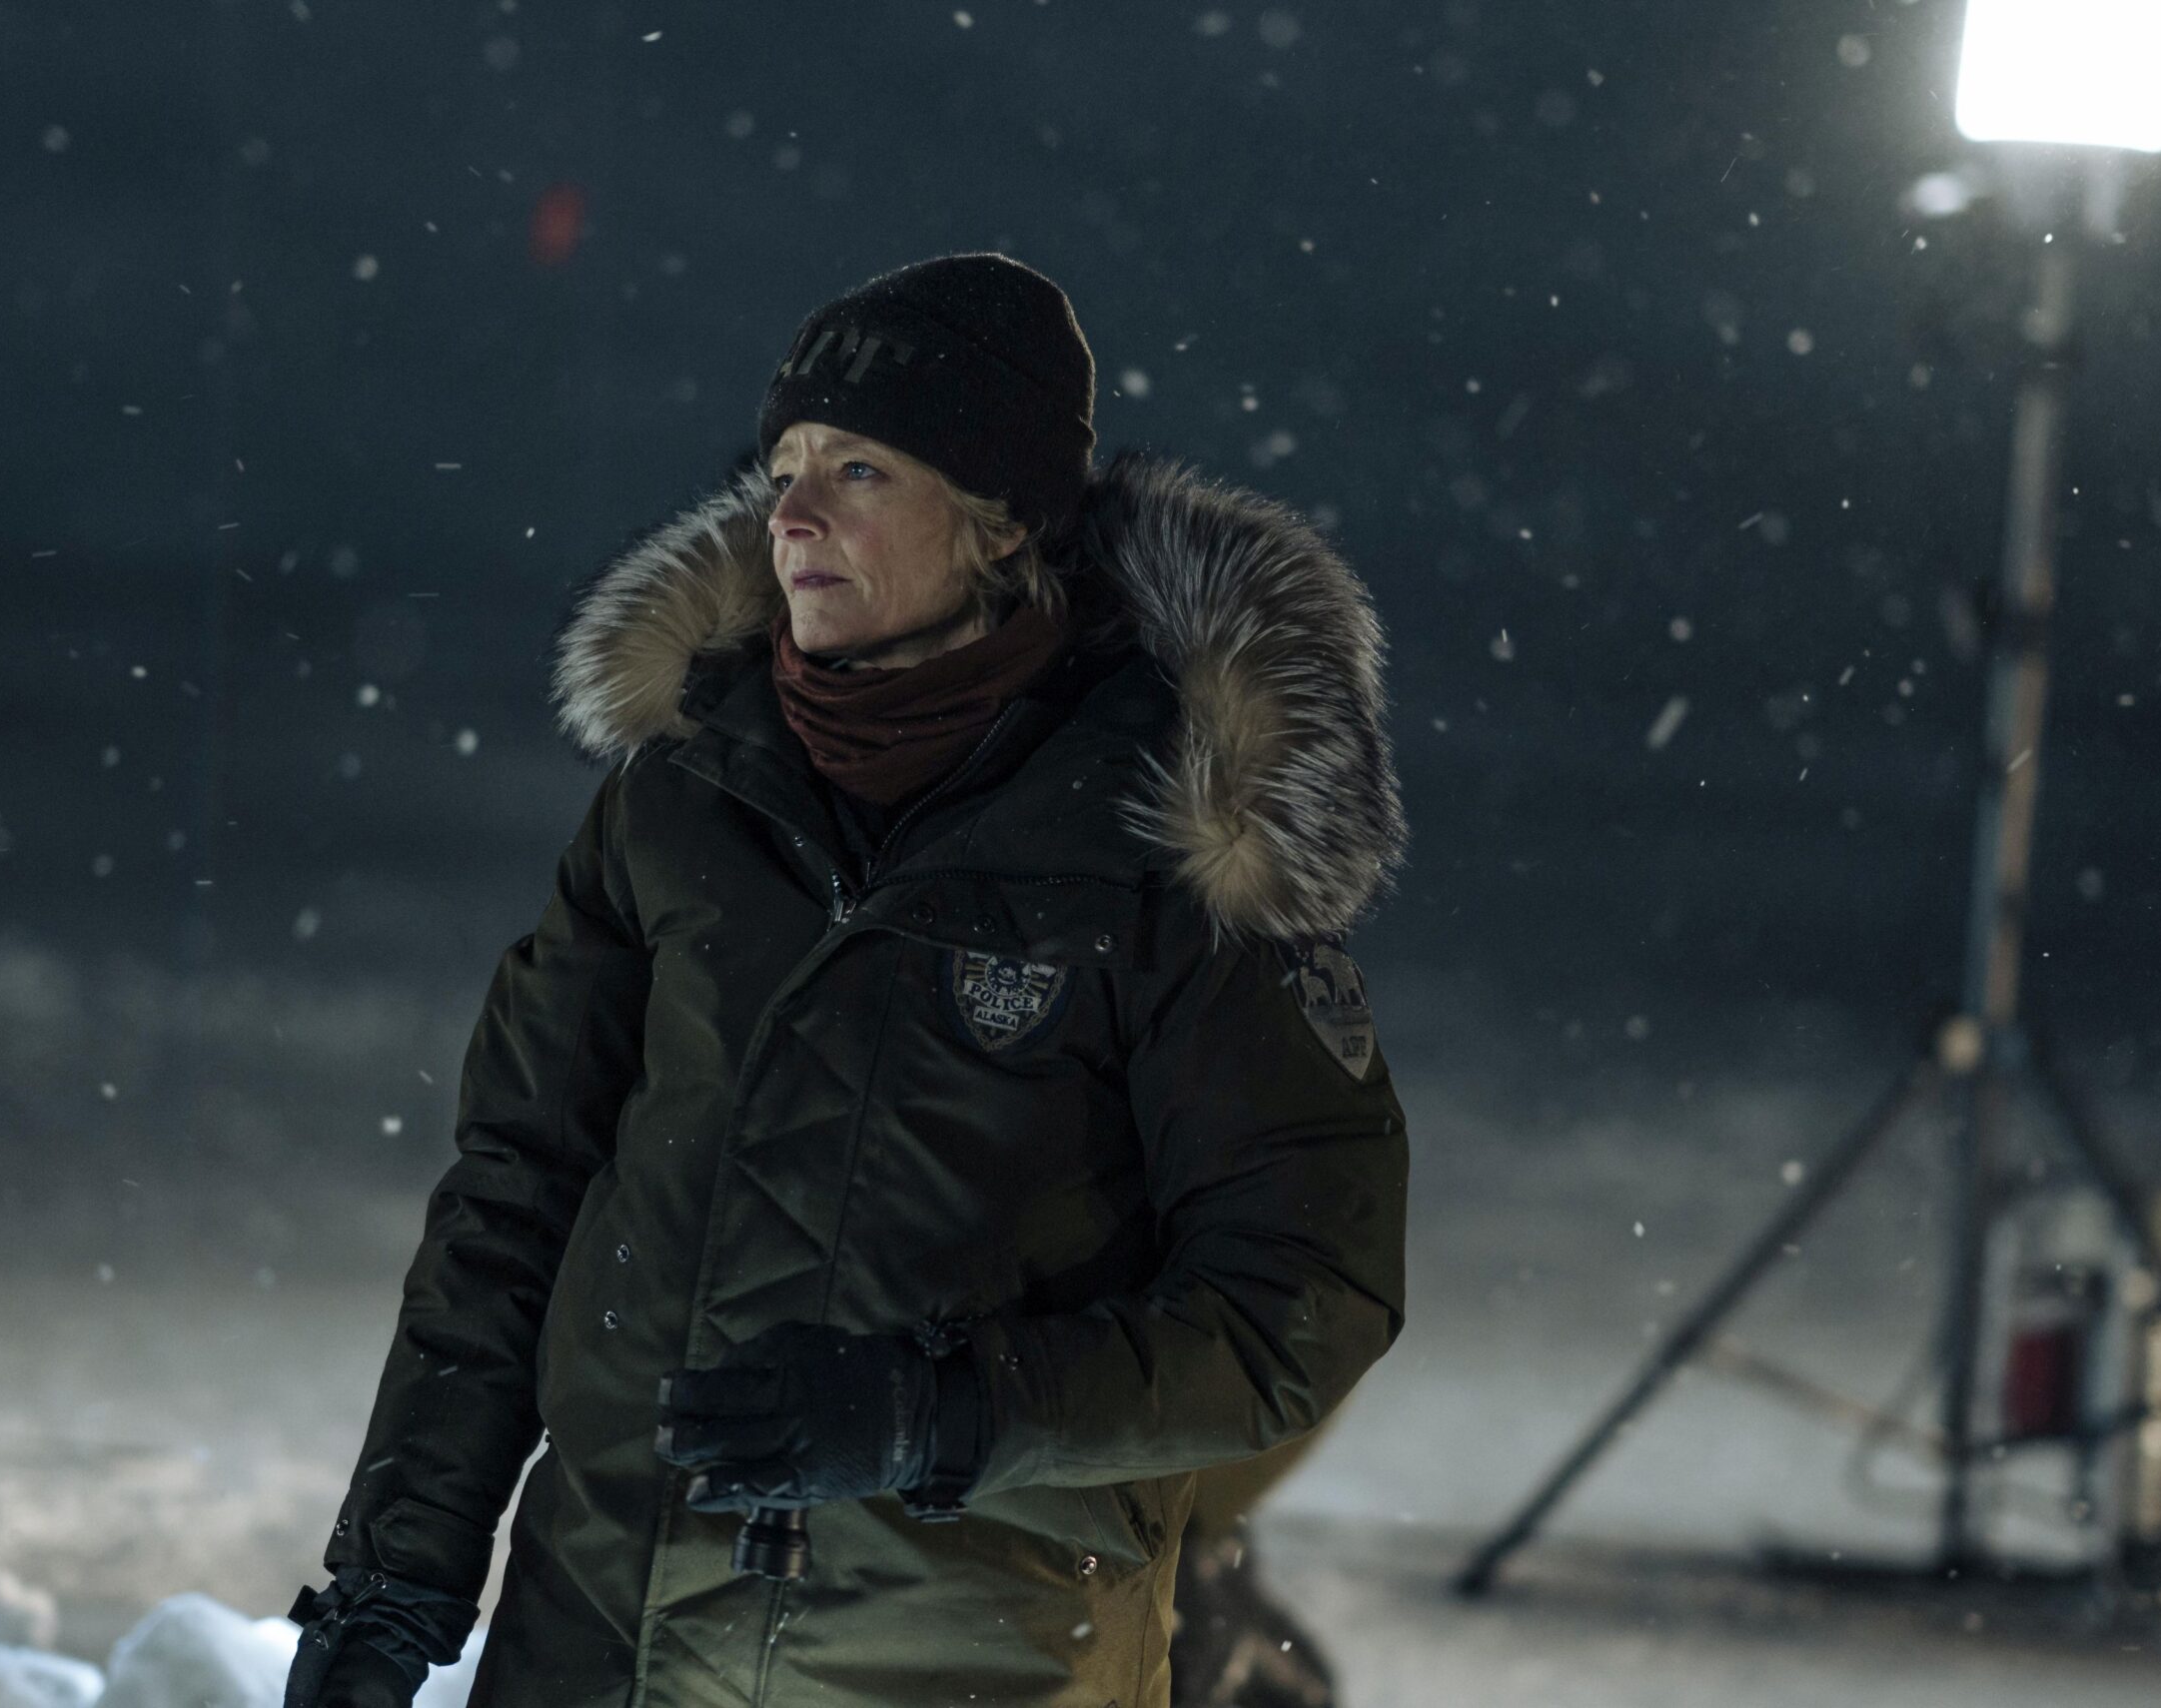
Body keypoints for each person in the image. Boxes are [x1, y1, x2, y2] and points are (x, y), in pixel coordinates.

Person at [283, 252, 1409, 1708]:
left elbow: (1301, 1302)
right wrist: (394, 1579)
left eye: (859, 470)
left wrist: (940, 1413)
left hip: (973, 1666)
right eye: (784, 470)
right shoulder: (679, 795)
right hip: (599, 1652)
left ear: (1003, 523)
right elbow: (516, 1198)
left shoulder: (1178, 848)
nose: (792, 515)